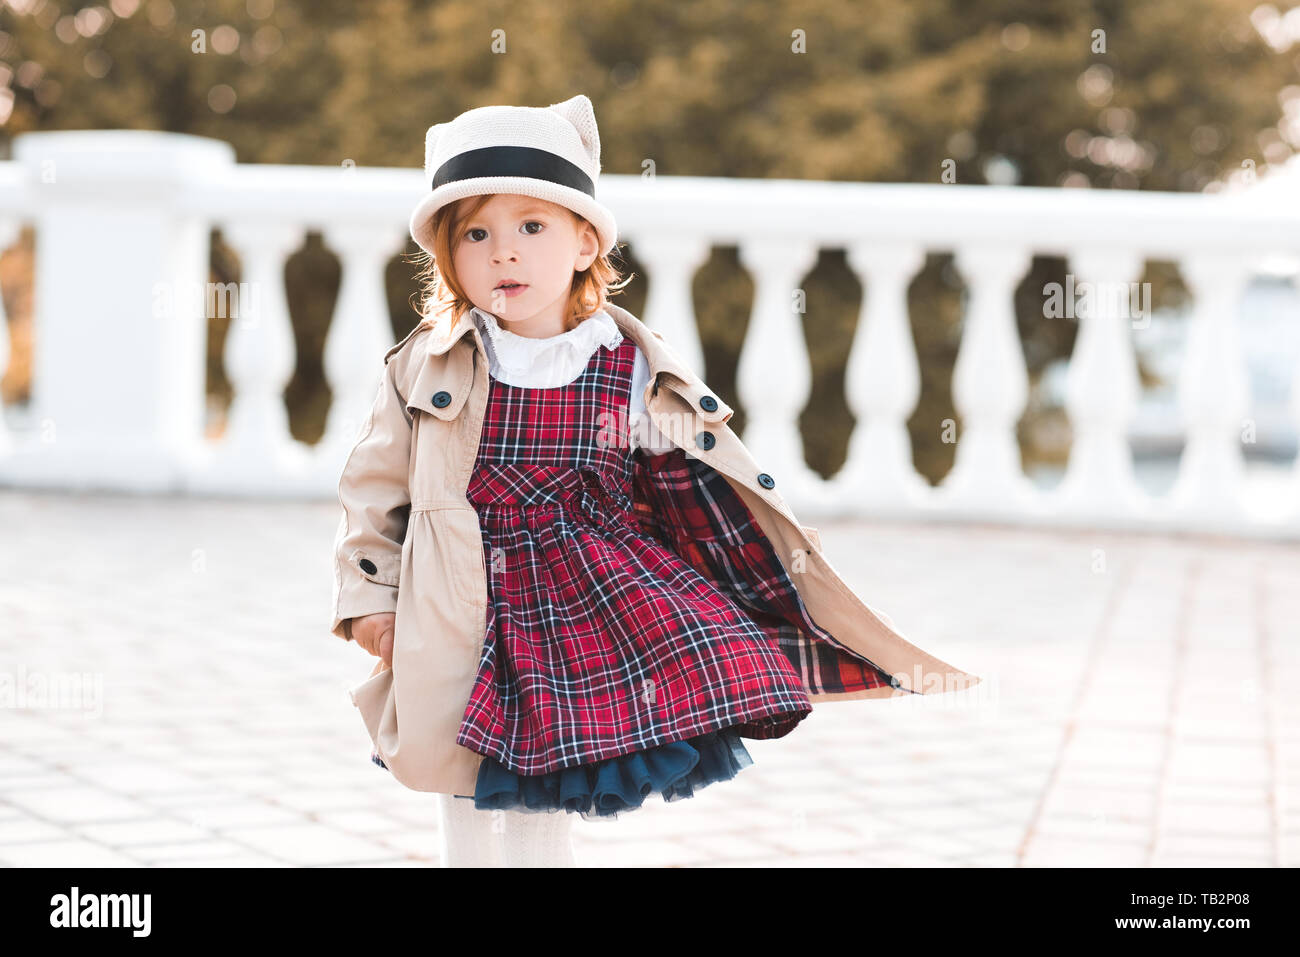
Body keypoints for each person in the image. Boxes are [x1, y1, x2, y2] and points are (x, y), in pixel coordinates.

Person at [331, 94, 980, 868]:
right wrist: (370, 602)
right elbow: (375, 489)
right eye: (477, 233)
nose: (504, 252)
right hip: (455, 595)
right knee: (458, 783)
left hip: (577, 605)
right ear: (449, 255)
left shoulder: (628, 364)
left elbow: (689, 490)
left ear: (582, 244)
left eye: (530, 226)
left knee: (544, 789)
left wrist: (739, 582)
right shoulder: (425, 365)